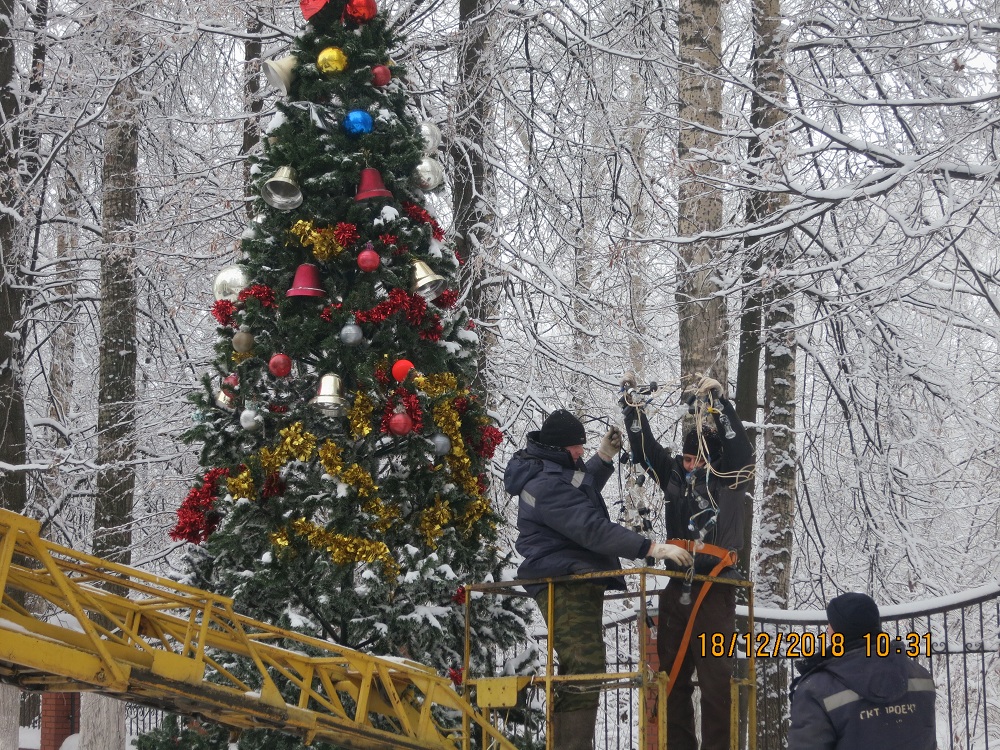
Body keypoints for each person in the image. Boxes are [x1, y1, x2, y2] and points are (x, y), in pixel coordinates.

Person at [504, 408, 691, 750]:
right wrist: (650, 548)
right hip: (562, 580)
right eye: (577, 448)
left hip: (570, 577)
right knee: (584, 666)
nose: (580, 452)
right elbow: (589, 526)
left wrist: (603, 459)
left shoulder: (548, 472)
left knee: (584, 667)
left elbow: (576, 489)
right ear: (561, 448)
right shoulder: (545, 484)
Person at [620, 373, 754, 750]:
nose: (689, 464)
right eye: (686, 457)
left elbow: (743, 451)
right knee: (671, 677)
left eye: (696, 458)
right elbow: (644, 448)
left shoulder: (728, 477)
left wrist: (719, 404)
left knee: (715, 681)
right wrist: (631, 407)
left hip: (716, 590)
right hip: (678, 586)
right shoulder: (676, 474)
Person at [788, 592, 937, 749]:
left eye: (831, 624)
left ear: (841, 631)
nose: (827, 630)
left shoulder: (815, 689)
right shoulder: (920, 676)